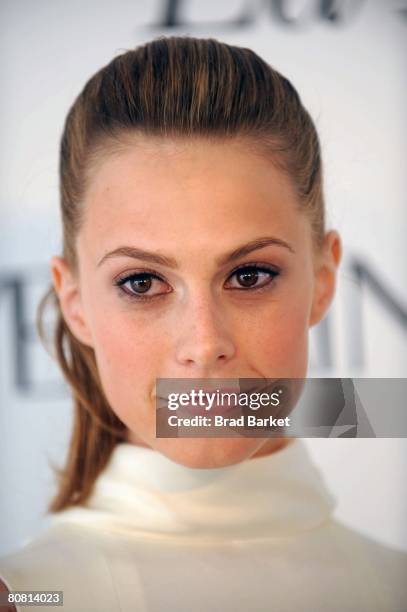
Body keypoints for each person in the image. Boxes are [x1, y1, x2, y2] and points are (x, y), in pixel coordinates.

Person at [0, 35, 405, 612]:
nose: (205, 343)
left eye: (250, 275)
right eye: (141, 282)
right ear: (75, 303)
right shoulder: (34, 596)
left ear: (323, 280)